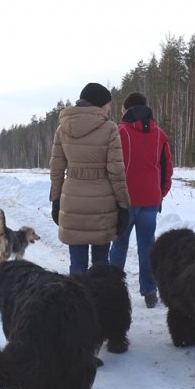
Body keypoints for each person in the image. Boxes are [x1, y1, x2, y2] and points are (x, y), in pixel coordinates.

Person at [49, 82, 130, 274]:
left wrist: (55, 199)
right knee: (101, 266)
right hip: (102, 204)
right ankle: (99, 303)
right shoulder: (110, 129)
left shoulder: (62, 129)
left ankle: (77, 302)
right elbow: (116, 172)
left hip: (72, 202)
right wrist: (123, 205)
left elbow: (56, 169)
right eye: (108, 104)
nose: (110, 108)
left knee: (77, 265)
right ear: (98, 104)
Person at [110, 92, 173, 308]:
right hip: (151, 201)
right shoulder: (159, 134)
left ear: (126, 110)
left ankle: (112, 289)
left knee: (119, 245)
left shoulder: (120, 132)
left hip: (124, 201)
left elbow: (112, 167)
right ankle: (150, 291)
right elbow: (166, 168)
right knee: (148, 247)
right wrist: (160, 193)